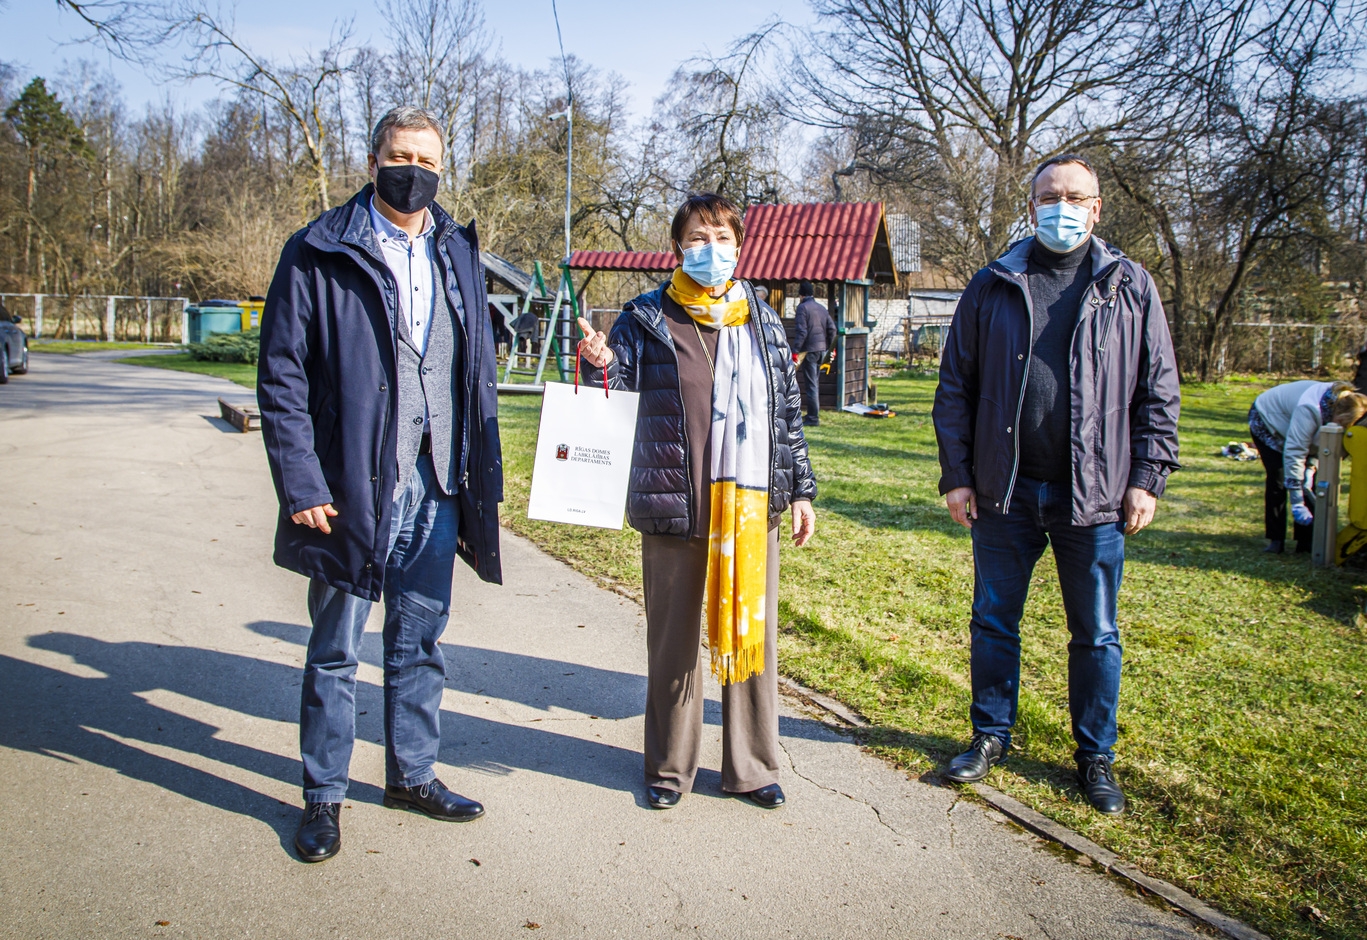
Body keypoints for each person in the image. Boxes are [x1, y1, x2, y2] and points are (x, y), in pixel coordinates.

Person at [257, 105, 503, 863]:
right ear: (372, 161)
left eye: (428, 161)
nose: (414, 171)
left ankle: (412, 774)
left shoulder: (457, 248)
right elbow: (281, 375)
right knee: (335, 648)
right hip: (350, 489)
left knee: (419, 639)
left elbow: (473, 362)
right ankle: (323, 796)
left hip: (436, 485)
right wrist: (301, 481)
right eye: (401, 156)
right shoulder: (317, 250)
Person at [931, 153, 1181, 815]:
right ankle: (989, 736)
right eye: (1049, 195)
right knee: (992, 622)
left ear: (1096, 208)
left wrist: (1147, 477)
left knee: (1095, 633)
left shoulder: (1129, 284)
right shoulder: (992, 283)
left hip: (1093, 498)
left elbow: (1157, 393)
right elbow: (954, 386)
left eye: (1075, 197)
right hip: (1004, 493)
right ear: (1032, 203)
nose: (1061, 207)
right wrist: (957, 477)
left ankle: (1094, 758)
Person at [575, 192, 817, 810]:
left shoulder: (761, 316)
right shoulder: (646, 316)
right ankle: (668, 770)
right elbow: (614, 395)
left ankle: (753, 768)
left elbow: (787, 414)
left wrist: (802, 491)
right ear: (678, 247)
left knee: (752, 638)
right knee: (673, 641)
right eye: (698, 239)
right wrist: (599, 362)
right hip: (674, 500)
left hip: (751, 504)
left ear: (740, 246)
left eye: (724, 239)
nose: (712, 251)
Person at [1248, 380, 1367, 553]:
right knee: (1279, 477)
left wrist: (1311, 470)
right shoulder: (1310, 408)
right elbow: (1295, 451)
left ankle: (1306, 542)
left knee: (1312, 484)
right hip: (1268, 419)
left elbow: (1323, 448)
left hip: (1296, 428)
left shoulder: (1347, 406)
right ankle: (1276, 539)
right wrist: (1297, 502)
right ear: (1339, 418)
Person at [792, 280, 836, 426]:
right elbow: (832, 329)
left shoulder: (802, 308)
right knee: (814, 383)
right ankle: (812, 414)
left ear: (801, 295)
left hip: (809, 350)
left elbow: (802, 331)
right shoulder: (822, 308)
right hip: (822, 350)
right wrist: (831, 348)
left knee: (811, 385)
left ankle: (813, 418)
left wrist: (795, 351)